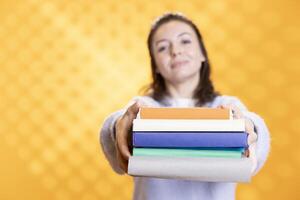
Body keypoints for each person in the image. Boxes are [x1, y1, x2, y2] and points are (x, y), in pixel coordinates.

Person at [100, 12, 270, 200]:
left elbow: (253, 132)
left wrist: (250, 130)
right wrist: (119, 126)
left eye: (185, 41)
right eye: (163, 47)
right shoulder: (145, 108)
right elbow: (119, 124)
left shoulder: (226, 107)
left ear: (203, 54)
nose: (176, 51)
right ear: (155, 64)